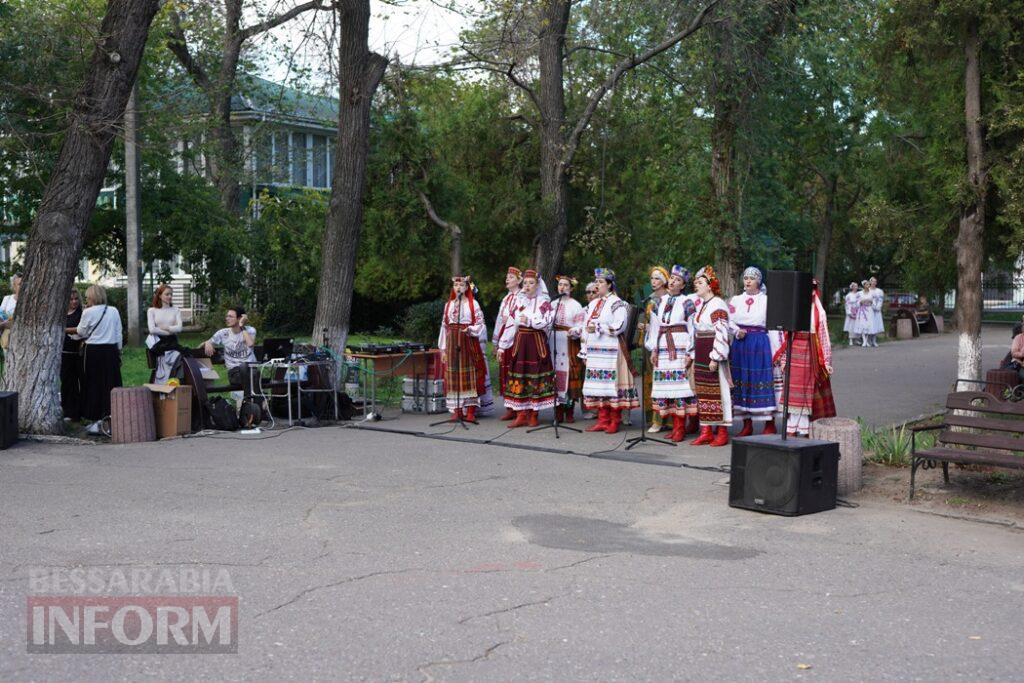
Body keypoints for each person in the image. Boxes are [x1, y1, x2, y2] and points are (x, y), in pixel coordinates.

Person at [773, 280, 836, 437]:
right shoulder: (794, 309)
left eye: (812, 289)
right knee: (792, 391)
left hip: (811, 352)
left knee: (807, 391)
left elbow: (824, 337)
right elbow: (786, 337)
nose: (810, 293)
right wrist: (784, 359)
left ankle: (805, 428)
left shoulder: (819, 312)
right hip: (794, 350)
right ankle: (791, 427)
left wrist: (826, 361)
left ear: (815, 292)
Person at [581, 268, 639, 434]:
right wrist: (584, 351)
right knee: (598, 386)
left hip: (611, 351)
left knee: (610, 386)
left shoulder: (616, 302)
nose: (597, 285)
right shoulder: (592, 304)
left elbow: (620, 325)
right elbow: (586, 328)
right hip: (595, 352)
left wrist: (600, 327)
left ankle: (614, 420)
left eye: (600, 282)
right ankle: (602, 419)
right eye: (596, 281)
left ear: (610, 284)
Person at [645, 265, 698, 442]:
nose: (673, 282)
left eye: (677, 280)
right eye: (672, 278)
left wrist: (691, 352)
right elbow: (654, 327)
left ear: (683, 285)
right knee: (666, 388)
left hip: (679, 346)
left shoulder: (687, 302)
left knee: (679, 389)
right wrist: (653, 348)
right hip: (662, 347)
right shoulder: (659, 302)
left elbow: (693, 328)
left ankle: (680, 427)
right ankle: (674, 425)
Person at [497, 269, 556, 427]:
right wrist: (502, 346)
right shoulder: (519, 302)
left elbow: (547, 321)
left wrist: (529, 320)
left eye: (531, 283)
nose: (528, 286)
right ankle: (521, 414)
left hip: (536, 342)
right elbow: (510, 324)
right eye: (526, 283)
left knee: (535, 375)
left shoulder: (544, 303)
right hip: (520, 342)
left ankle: (534, 414)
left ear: (537, 285)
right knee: (520, 376)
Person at [728, 267, 777, 437]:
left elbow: (773, 324)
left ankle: (769, 424)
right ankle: (746, 424)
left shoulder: (767, 300)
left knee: (761, 379)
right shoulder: (736, 300)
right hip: (741, 343)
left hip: (759, 341)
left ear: (759, 281)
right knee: (741, 380)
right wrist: (735, 331)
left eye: (752, 278)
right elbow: (728, 320)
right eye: (746, 278)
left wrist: (777, 350)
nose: (748, 281)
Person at [689, 266, 733, 447]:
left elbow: (722, 332)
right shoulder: (702, 306)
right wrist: (691, 354)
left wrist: (716, 356)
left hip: (712, 351)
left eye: (700, 282)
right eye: (695, 283)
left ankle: (722, 432)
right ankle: (706, 430)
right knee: (703, 390)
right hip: (701, 350)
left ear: (710, 286)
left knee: (719, 389)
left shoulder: (718, 304)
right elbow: (695, 332)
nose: (696, 285)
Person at [437, 275, 486, 422]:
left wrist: (470, 330)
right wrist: (443, 349)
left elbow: (481, 324)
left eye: (462, 286)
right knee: (453, 375)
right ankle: (457, 410)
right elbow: (444, 327)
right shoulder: (449, 305)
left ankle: (470, 411)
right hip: (452, 341)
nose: (458, 288)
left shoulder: (473, 304)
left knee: (470, 374)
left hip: (467, 340)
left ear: (466, 288)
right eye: (456, 286)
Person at [77, 285, 123, 432]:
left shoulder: (88, 312)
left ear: (91, 297)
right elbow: (118, 332)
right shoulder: (113, 311)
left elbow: (81, 331)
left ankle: (95, 418)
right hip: (111, 350)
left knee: (93, 384)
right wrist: (119, 351)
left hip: (93, 351)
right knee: (111, 383)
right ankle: (112, 415)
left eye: (87, 297)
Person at [640, 267, 671, 433]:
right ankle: (652, 416)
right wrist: (644, 327)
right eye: (652, 278)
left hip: (664, 343)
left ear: (664, 281)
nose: (653, 281)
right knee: (649, 380)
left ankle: (663, 419)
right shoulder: (650, 300)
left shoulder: (669, 299)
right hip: (650, 343)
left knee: (663, 381)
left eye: (657, 279)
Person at [550, 275, 585, 423]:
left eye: (565, 285)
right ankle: (557, 411)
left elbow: (581, 325)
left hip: (568, 342)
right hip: (553, 342)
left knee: (569, 375)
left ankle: (569, 411)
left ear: (571, 288)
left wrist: (575, 330)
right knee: (555, 376)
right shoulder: (552, 304)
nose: (562, 287)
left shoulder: (576, 305)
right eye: (560, 285)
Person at [203, 306, 257, 400]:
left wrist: (242, 327)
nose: (227, 318)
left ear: (240, 318)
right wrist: (207, 342)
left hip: (251, 371)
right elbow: (202, 345)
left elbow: (250, 343)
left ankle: (250, 402)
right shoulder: (223, 333)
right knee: (249, 372)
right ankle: (253, 400)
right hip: (234, 373)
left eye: (231, 316)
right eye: (227, 316)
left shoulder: (250, 330)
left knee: (250, 371)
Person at [492, 266, 523, 420]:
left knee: (514, 370)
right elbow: (499, 319)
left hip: (516, 336)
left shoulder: (521, 297)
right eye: (507, 277)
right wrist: (496, 341)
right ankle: (509, 407)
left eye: (510, 277)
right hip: (505, 334)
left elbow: (517, 319)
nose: (507, 279)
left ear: (518, 280)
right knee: (505, 371)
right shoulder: (506, 299)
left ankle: (519, 408)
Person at [146, 284, 184, 384]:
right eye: (167, 294)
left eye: (171, 294)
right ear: (160, 295)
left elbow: (179, 328)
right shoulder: (152, 310)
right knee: (163, 365)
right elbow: (152, 330)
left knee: (181, 356)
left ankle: (176, 382)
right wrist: (170, 331)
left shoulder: (176, 310)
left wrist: (166, 328)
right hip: (159, 344)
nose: (170, 297)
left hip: (173, 342)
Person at [470, 282, 495, 417]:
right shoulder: (455, 305)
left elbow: (481, 327)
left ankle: (474, 408)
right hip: (464, 345)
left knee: (477, 376)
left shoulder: (474, 305)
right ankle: (464, 407)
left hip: (474, 345)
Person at [61, 288, 84, 422]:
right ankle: (67, 410)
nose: (74, 302)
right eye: (71, 299)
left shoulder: (81, 313)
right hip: (63, 352)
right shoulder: (62, 313)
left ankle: (77, 412)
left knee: (77, 382)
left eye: (76, 299)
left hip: (77, 352)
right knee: (66, 382)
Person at [580, 281, 600, 420]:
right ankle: (591, 409)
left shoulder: (604, 307)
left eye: (594, 292)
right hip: (586, 346)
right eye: (589, 292)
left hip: (601, 347)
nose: (591, 295)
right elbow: (582, 329)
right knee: (588, 379)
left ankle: (606, 410)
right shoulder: (583, 309)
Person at [0, 273, 22, 351]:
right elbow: (0, 317)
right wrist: (6, 324)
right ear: (14, 286)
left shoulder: (29, 302)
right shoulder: (7, 299)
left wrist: (7, 324)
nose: (23, 287)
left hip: (22, 343)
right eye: (19, 284)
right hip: (7, 342)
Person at [854, 280, 875, 347]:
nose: (868, 286)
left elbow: (874, 303)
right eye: (867, 284)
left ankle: (867, 340)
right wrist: (860, 302)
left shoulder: (871, 293)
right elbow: (856, 303)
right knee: (863, 325)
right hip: (862, 310)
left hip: (869, 310)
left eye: (869, 284)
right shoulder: (859, 293)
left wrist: (871, 302)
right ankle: (864, 340)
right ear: (864, 285)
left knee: (868, 325)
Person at [869, 276, 885, 347]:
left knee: (876, 325)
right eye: (872, 281)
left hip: (877, 310)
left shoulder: (879, 291)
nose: (874, 283)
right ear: (870, 282)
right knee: (870, 325)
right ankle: (869, 340)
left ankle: (874, 340)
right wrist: (872, 306)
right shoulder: (867, 290)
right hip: (869, 310)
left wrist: (878, 307)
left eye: (875, 281)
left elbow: (880, 300)